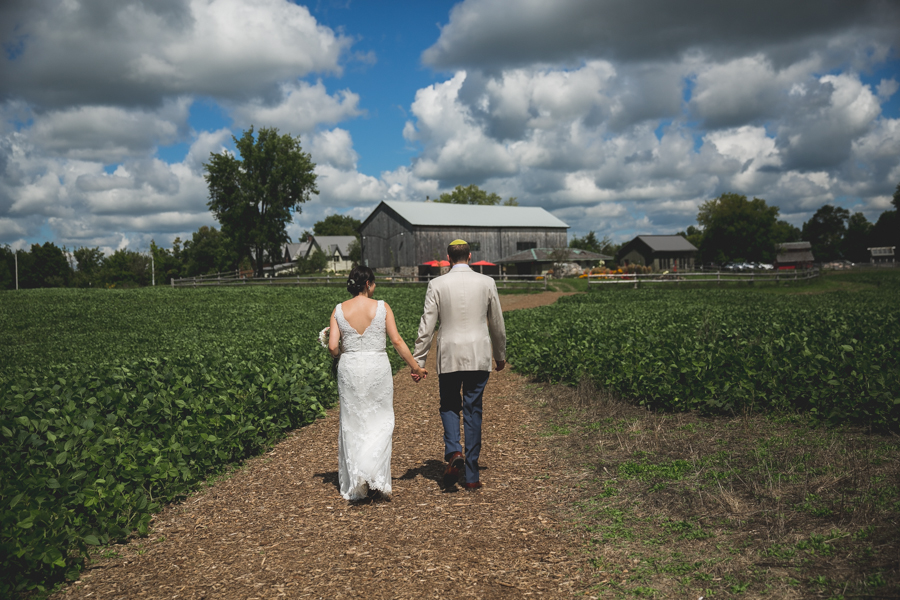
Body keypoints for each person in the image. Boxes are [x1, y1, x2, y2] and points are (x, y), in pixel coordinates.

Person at [413, 240, 506, 491]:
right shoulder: (487, 283)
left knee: (449, 405)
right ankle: (472, 476)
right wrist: (500, 354)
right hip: (478, 354)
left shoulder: (437, 284)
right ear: (470, 256)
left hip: (450, 354)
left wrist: (418, 360)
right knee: (474, 409)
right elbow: (496, 321)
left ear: (448, 257)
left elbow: (427, 324)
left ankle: (454, 450)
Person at [328, 266, 427, 501]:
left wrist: (343, 352)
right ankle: (373, 473)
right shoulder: (382, 307)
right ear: (368, 284)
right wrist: (415, 367)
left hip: (350, 368)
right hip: (377, 369)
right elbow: (397, 340)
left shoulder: (339, 310)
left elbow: (333, 347)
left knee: (353, 421)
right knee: (381, 420)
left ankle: (358, 480)